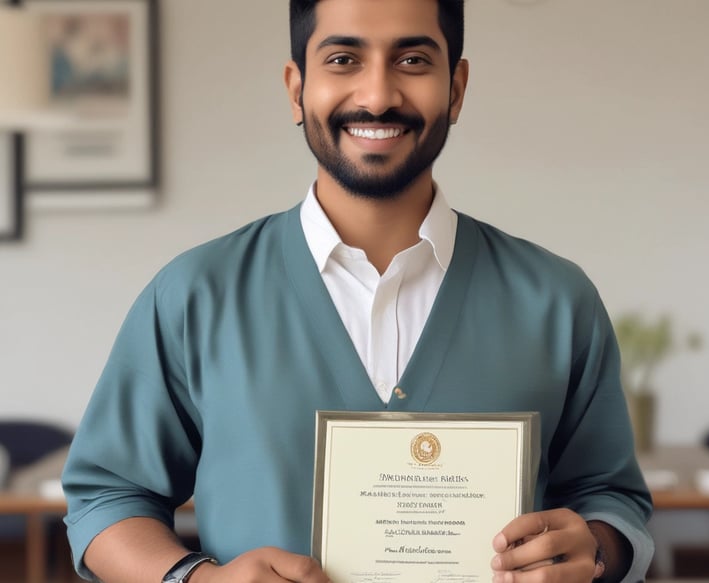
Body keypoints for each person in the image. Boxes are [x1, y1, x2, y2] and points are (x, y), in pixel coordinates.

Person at [62, 0, 653, 581]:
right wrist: (198, 580)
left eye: (413, 60)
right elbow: (107, 496)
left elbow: (610, 499)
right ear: (296, 89)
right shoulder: (195, 295)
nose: (377, 96)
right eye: (343, 59)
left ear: (456, 88)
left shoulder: (557, 300)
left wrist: (596, 552)